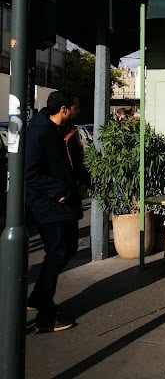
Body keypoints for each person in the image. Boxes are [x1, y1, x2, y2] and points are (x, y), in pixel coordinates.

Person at [25, 91, 87, 332]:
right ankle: (45, 313)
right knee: (58, 250)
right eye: (75, 108)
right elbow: (30, 173)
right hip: (49, 205)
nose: (78, 111)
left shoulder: (63, 131)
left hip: (65, 202)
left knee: (67, 247)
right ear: (64, 109)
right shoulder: (39, 133)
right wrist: (59, 189)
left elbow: (74, 162)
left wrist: (82, 180)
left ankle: (39, 296)